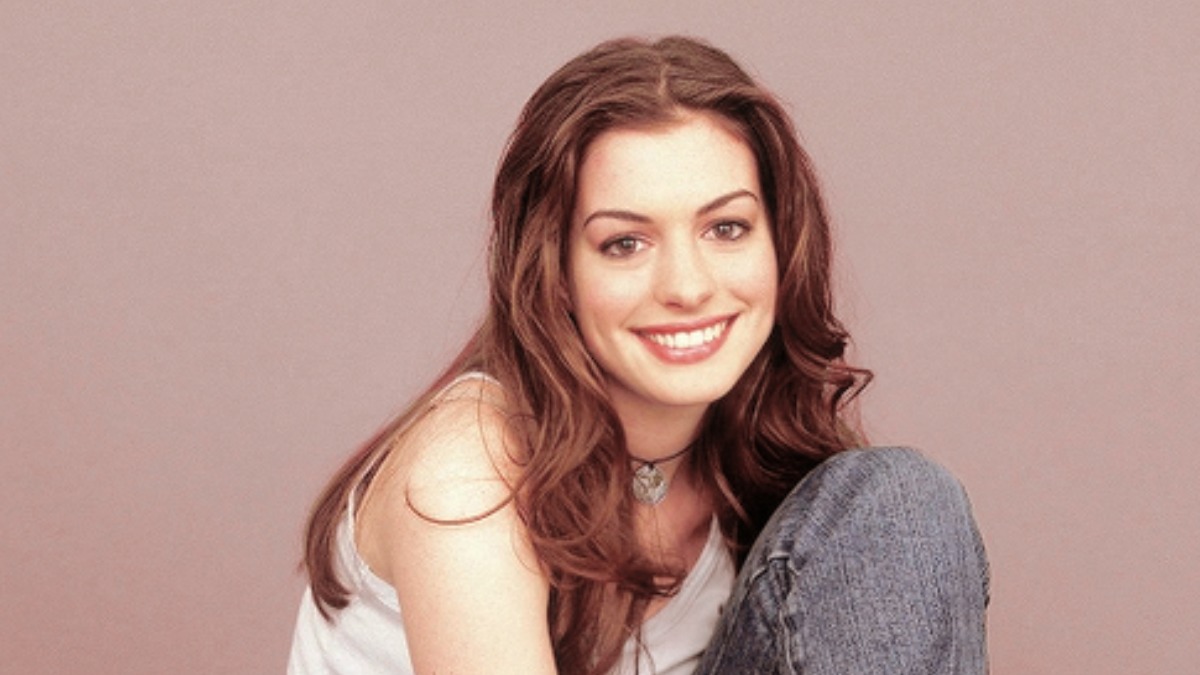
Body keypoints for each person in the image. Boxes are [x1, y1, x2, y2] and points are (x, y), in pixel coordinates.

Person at [288, 35, 989, 674]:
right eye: (625, 243)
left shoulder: (761, 453)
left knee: (899, 499)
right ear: (556, 275)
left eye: (726, 228)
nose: (687, 286)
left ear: (780, 244)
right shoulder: (466, 472)